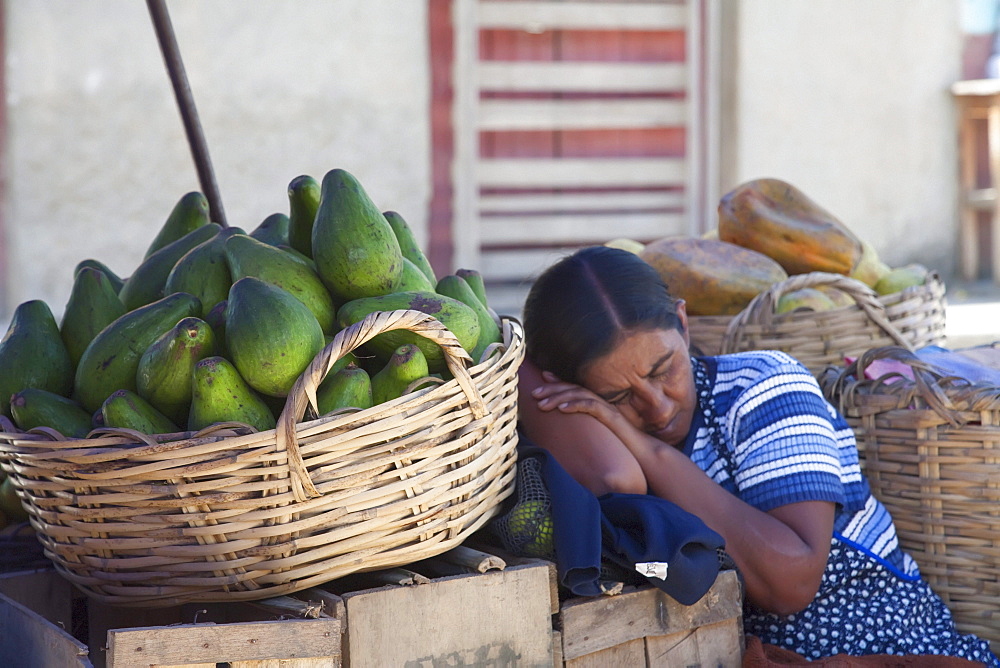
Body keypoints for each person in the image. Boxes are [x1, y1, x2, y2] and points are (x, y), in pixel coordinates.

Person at [517, 245, 999, 665]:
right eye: (619, 397)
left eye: (664, 370)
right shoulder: (600, 436)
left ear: (683, 326)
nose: (658, 406)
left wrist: (649, 452)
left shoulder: (763, 387)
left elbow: (792, 580)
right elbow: (518, 369)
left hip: (887, 640)